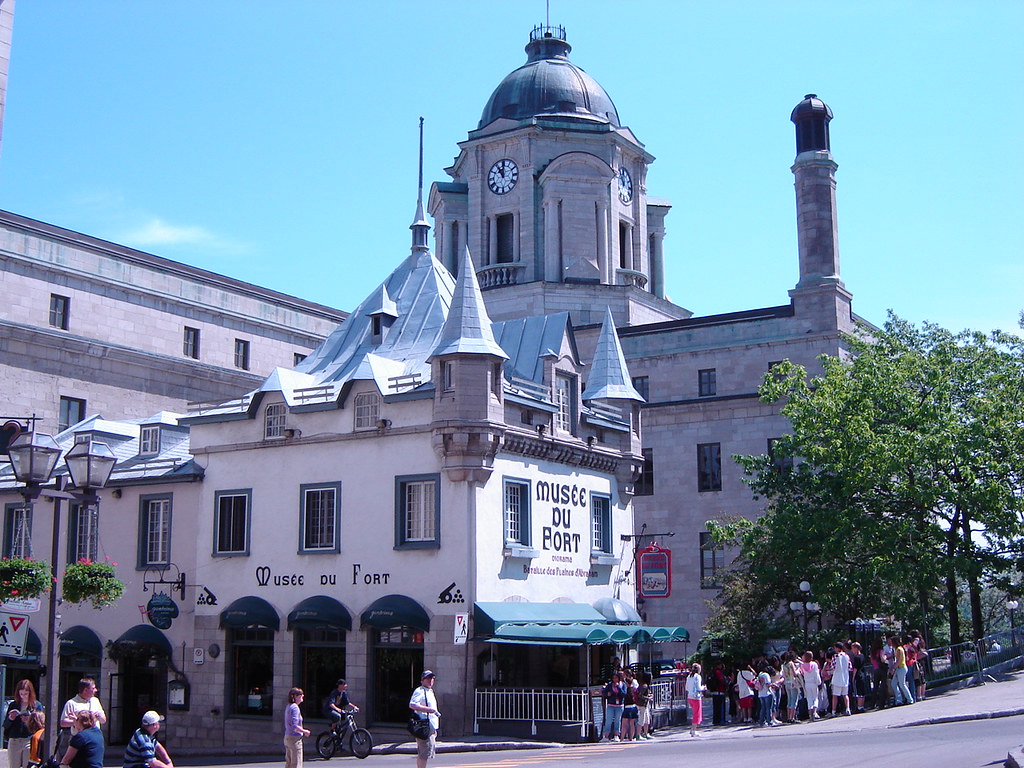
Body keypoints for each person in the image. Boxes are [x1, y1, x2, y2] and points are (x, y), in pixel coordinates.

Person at [5, 679, 44, 768]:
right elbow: (6, 725)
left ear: (30, 693)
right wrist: (11, 718)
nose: (23, 697)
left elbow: (41, 726)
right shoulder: (13, 705)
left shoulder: (36, 705)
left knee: (28, 765)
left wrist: (29, 720)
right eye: (21, 694)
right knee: (14, 765)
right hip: (15, 740)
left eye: (26, 694)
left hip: (29, 740)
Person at [409, 671, 440, 768]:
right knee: (424, 754)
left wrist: (434, 729)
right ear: (422, 680)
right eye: (428, 678)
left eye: (432, 678)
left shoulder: (430, 691)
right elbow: (412, 704)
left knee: (427, 753)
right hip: (424, 727)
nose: (431, 680)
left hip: (430, 727)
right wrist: (428, 709)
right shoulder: (420, 691)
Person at [283, 688, 309, 768]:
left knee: (289, 763)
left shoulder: (289, 706)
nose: (302, 696)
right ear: (295, 696)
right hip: (295, 738)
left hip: (288, 737)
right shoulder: (295, 708)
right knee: (296, 764)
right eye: (300, 695)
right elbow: (295, 726)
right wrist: (305, 731)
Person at [600, 672, 625, 741]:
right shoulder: (610, 685)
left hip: (619, 705)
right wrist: (607, 694)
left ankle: (616, 735)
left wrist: (618, 687)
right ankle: (606, 736)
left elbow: (624, 694)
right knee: (608, 720)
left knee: (617, 720)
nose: (615, 680)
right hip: (611, 705)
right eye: (613, 678)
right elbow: (604, 693)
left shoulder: (622, 685)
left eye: (616, 678)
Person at [830, 642, 852, 716]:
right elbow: (850, 667)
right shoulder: (846, 656)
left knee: (835, 695)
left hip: (837, 678)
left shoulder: (835, 656)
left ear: (838, 648)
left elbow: (832, 667)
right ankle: (848, 709)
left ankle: (833, 711)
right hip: (845, 678)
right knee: (845, 695)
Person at [686, 663, 707, 736]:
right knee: (697, 714)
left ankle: (692, 729)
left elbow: (687, 688)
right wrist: (703, 688)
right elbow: (698, 688)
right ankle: (694, 730)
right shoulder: (697, 677)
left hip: (689, 697)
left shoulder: (689, 676)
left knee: (694, 713)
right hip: (696, 697)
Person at [800, 651, 822, 720]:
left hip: (807, 683)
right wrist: (819, 682)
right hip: (814, 683)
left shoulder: (802, 665)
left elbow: (802, 674)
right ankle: (814, 712)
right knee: (815, 697)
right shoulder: (814, 664)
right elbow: (816, 674)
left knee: (809, 698)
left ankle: (810, 714)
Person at [620, 669, 638, 741]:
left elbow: (625, 697)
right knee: (632, 723)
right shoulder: (633, 690)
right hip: (633, 707)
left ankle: (622, 738)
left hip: (627, 707)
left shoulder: (627, 690)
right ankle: (631, 738)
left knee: (624, 724)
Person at [635, 671, 653, 739]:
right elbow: (640, 695)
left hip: (645, 704)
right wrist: (648, 697)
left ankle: (646, 733)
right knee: (641, 719)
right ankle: (638, 735)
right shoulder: (644, 686)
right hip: (642, 705)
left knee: (647, 719)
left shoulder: (644, 685)